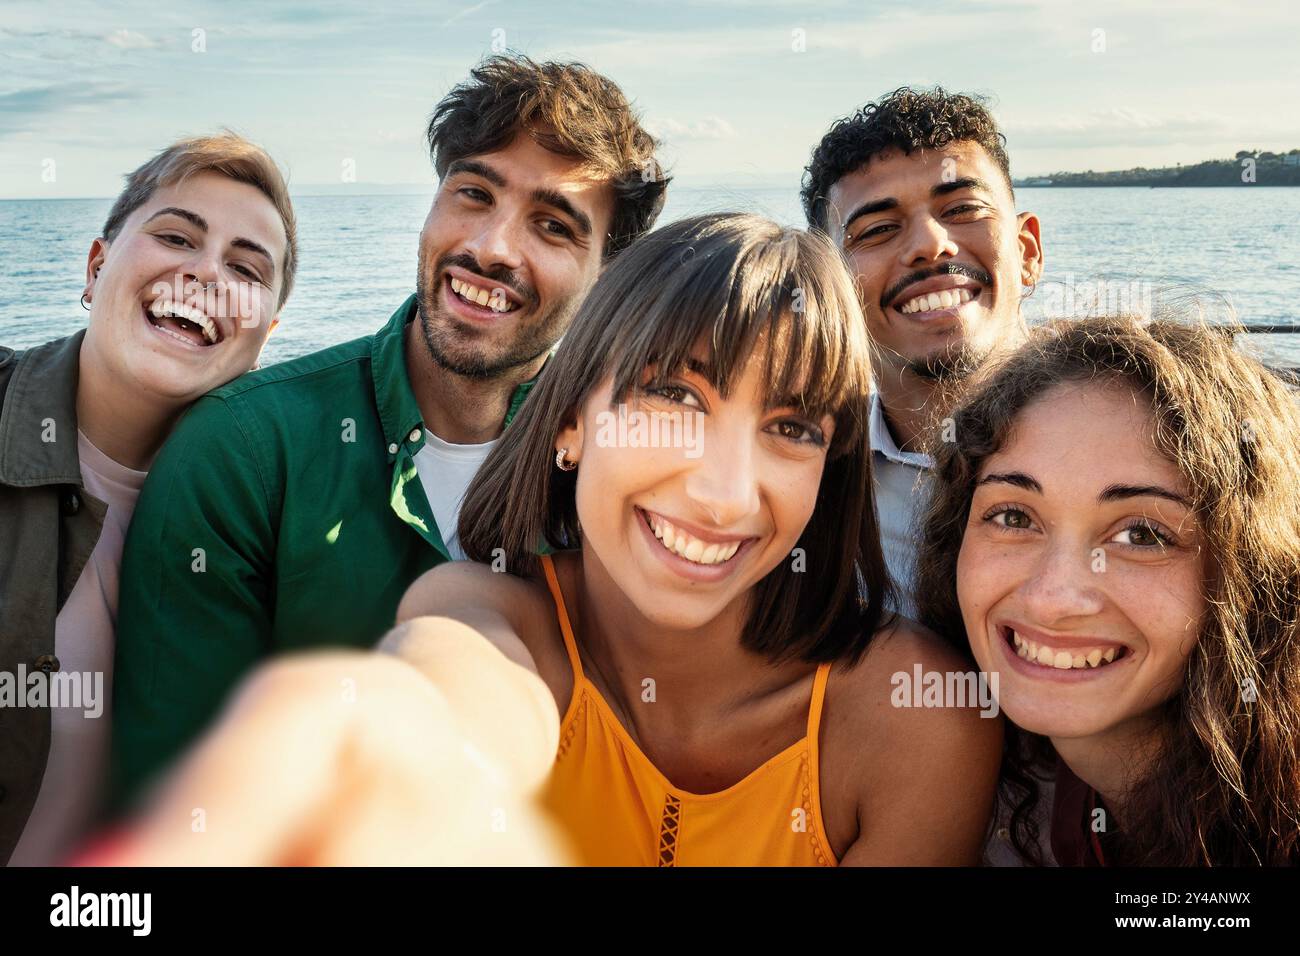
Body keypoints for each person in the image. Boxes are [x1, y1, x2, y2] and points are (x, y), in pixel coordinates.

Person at [87, 213, 1002, 866]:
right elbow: (450, 692)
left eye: (793, 427)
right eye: (672, 399)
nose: (725, 496)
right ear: (570, 423)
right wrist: (377, 749)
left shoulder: (916, 720)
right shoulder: (487, 615)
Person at [109, 55, 668, 809]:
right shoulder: (240, 450)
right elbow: (180, 804)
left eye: (553, 226)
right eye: (473, 193)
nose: (493, 247)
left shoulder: (633, 471)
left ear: (607, 276)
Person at [0, 132, 298, 866]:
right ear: (97, 266)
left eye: (245, 267)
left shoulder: (269, 512)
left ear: (266, 338)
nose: (205, 274)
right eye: (176, 236)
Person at [915, 314, 1300, 865]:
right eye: (1014, 518)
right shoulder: (1041, 790)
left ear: (1253, 574)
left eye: (1141, 534)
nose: (1053, 597)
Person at [800, 87, 1044, 619]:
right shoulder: (806, 485)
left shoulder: (1148, 438)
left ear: (1027, 252)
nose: (931, 244)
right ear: (829, 286)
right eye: (878, 230)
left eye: (962, 209)